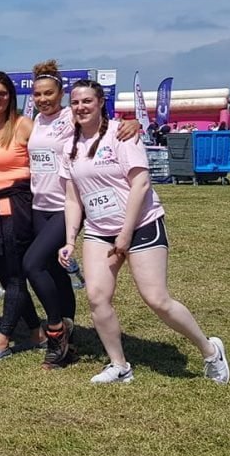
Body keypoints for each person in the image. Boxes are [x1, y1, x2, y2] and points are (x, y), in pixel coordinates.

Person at [58, 79, 230, 385]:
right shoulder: (68, 146)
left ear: (100, 104)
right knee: (97, 298)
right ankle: (119, 365)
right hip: (99, 230)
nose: (81, 107)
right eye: (75, 102)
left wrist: (125, 234)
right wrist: (70, 239)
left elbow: (141, 184)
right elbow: (73, 198)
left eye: (87, 101)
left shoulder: (121, 135)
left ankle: (210, 350)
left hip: (141, 225)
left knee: (156, 298)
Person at [22, 60, 141, 369]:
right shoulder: (35, 121)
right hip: (40, 206)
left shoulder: (70, 116)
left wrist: (134, 124)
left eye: (49, 94)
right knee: (56, 271)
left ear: (61, 94)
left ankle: (56, 331)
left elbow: (105, 127)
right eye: (38, 94)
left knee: (31, 264)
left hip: (67, 205)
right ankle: (69, 340)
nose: (43, 99)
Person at [0, 71, 46, 363]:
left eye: (2, 93)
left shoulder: (24, 125)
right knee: (4, 274)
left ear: (11, 96)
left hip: (14, 207)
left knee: (14, 275)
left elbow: (58, 140)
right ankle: (37, 332)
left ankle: (2, 340)